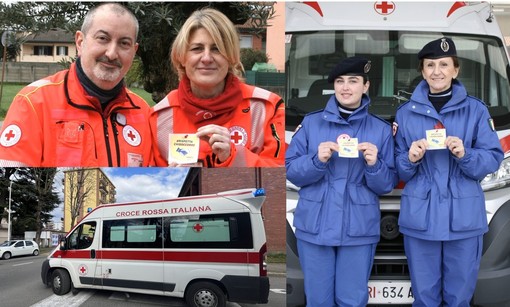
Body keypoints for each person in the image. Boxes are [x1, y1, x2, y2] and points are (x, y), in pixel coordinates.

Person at [393, 37, 504, 306]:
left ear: (455, 70)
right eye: (430, 65)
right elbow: (398, 169)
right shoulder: (405, 114)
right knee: (425, 297)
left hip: (463, 221)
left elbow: (492, 159)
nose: (437, 71)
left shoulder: (476, 110)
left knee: (459, 298)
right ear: (422, 71)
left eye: (444, 64)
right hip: (421, 220)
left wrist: (466, 154)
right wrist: (410, 158)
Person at [286, 56, 397, 306]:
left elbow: (387, 184)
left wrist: (374, 164)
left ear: (366, 86)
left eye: (353, 81)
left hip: (358, 229)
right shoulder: (311, 123)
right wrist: (316, 160)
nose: (346, 87)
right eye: (340, 81)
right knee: (318, 300)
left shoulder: (380, 129)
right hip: (315, 227)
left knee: (352, 300)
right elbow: (291, 170)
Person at [0, 3, 153, 167]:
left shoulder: (143, 112)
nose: (111, 53)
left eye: (124, 43)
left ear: (134, 51)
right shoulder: (34, 102)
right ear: (80, 42)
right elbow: (11, 182)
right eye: (103, 38)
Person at [151, 7, 285, 167]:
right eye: (197, 49)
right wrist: (172, 178)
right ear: (181, 57)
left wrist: (233, 156)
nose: (206, 58)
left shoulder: (267, 108)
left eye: (217, 49)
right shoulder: (159, 118)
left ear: (231, 57)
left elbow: (279, 178)